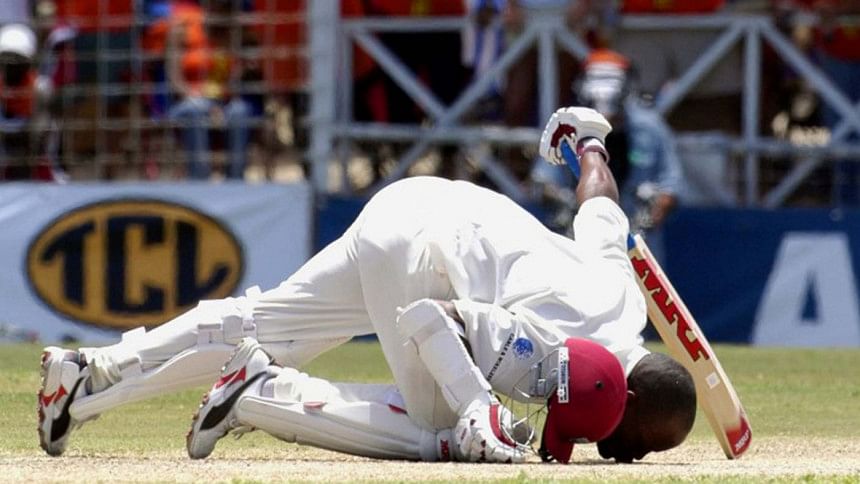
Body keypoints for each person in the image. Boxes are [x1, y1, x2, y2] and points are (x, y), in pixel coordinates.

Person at [38, 107, 696, 463]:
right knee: (444, 430)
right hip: (423, 260)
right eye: (640, 442)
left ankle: (89, 373)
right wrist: (475, 410)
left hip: (421, 202)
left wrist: (588, 146)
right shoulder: (566, 349)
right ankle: (264, 392)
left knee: (263, 323)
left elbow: (600, 203)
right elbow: (434, 320)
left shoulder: (623, 298)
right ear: (630, 394)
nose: (628, 458)